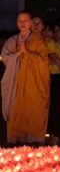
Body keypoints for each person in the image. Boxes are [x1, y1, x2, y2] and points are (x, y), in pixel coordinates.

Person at [1, 11, 50, 145]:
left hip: (33, 85)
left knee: (32, 110)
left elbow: (44, 63)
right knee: (16, 112)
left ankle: (33, 142)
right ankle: (15, 142)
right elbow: (4, 57)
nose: (22, 24)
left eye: (25, 21)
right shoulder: (13, 41)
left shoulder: (39, 41)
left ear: (30, 23)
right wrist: (17, 54)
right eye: (20, 21)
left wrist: (27, 54)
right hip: (16, 83)